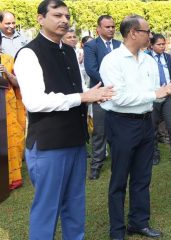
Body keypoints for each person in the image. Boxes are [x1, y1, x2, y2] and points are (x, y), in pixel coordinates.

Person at [13, 0, 115, 238]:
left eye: (67, 16)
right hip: (49, 144)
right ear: (40, 19)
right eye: (57, 15)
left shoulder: (68, 50)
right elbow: (35, 102)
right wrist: (81, 97)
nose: (64, 20)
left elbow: (75, 94)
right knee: (47, 208)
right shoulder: (29, 53)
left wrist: (90, 98)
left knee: (75, 204)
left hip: (76, 140)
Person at [100, 15, 171, 240]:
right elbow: (120, 98)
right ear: (133, 32)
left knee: (143, 177)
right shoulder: (112, 61)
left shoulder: (149, 60)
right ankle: (117, 231)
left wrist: (167, 91)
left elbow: (155, 96)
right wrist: (156, 94)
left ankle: (138, 222)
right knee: (119, 179)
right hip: (121, 123)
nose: (150, 35)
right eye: (147, 31)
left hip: (145, 122)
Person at [84, 15, 121, 180]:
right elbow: (91, 69)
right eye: (108, 27)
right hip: (100, 93)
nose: (111, 29)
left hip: (119, 94)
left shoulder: (120, 45)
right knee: (99, 131)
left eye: (113, 27)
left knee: (118, 130)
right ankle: (96, 164)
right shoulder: (91, 46)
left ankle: (118, 163)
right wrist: (110, 85)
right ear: (98, 29)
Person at [146, 33, 171, 165]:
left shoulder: (169, 58)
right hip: (152, 97)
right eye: (159, 44)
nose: (162, 47)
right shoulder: (145, 58)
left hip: (168, 97)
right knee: (152, 127)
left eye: (163, 44)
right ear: (151, 45)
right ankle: (154, 154)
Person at [0, 32, 26, 190]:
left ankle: (13, 178)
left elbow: (18, 83)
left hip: (8, 108)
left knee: (13, 140)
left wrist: (6, 73)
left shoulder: (8, 59)